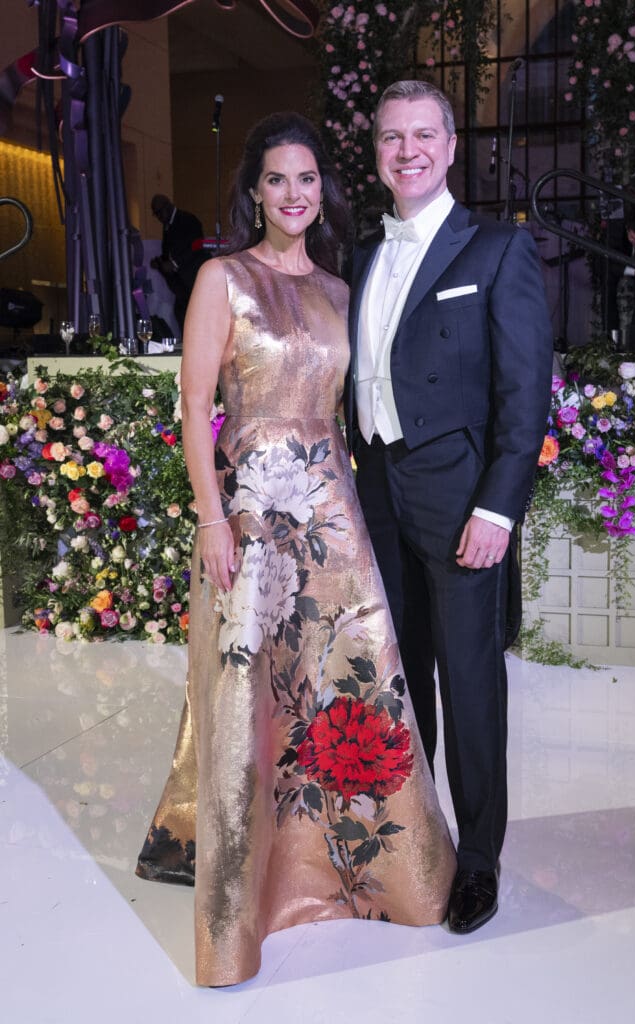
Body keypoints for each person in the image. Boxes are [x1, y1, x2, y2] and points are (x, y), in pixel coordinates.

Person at [136, 112, 456, 987]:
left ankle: (360, 869)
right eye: (276, 179)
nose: (292, 194)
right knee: (249, 689)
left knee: (345, 681)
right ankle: (247, 889)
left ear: (324, 191)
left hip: (333, 513)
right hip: (250, 512)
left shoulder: (339, 290)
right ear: (254, 192)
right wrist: (211, 518)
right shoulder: (221, 277)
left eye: (306, 179)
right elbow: (194, 402)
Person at [346, 80, 553, 935]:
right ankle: (414, 837)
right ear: (377, 152)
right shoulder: (362, 251)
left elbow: (524, 390)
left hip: (459, 496)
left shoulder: (496, 250)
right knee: (399, 680)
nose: (407, 150)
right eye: (392, 138)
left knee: (468, 686)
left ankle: (477, 862)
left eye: (422, 134)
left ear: (451, 143)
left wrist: (497, 510)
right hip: (375, 494)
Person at [150, 193, 207, 331]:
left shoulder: (188, 220)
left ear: (167, 207)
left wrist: (174, 263)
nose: (158, 217)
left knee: (192, 315)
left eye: (158, 213)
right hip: (181, 283)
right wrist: (160, 262)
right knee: (182, 313)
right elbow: (169, 250)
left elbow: (195, 247)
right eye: (156, 214)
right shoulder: (168, 224)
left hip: (193, 278)